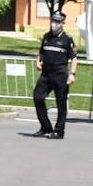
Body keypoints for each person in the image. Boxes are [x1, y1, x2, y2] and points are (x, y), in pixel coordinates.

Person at [32, 11, 77, 139]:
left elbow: (74, 58)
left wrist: (72, 74)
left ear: (62, 23)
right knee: (38, 97)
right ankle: (45, 127)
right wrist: (38, 61)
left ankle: (59, 131)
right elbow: (41, 52)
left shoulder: (67, 39)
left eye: (57, 22)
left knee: (61, 103)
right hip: (46, 73)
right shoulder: (47, 37)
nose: (54, 24)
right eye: (53, 21)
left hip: (60, 73)